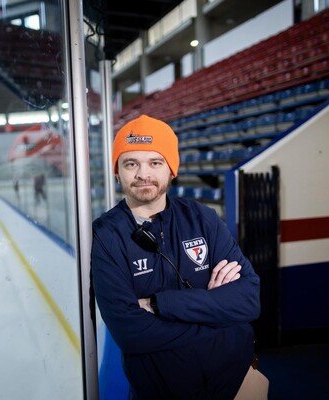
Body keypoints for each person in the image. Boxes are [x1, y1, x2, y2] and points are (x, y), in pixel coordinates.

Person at [91, 115, 264, 399]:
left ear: (172, 168)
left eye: (155, 163)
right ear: (117, 171)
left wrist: (161, 304)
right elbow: (130, 332)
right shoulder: (107, 235)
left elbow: (248, 299)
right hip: (162, 391)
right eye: (131, 163)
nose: (143, 174)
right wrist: (219, 319)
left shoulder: (202, 218)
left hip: (238, 381)